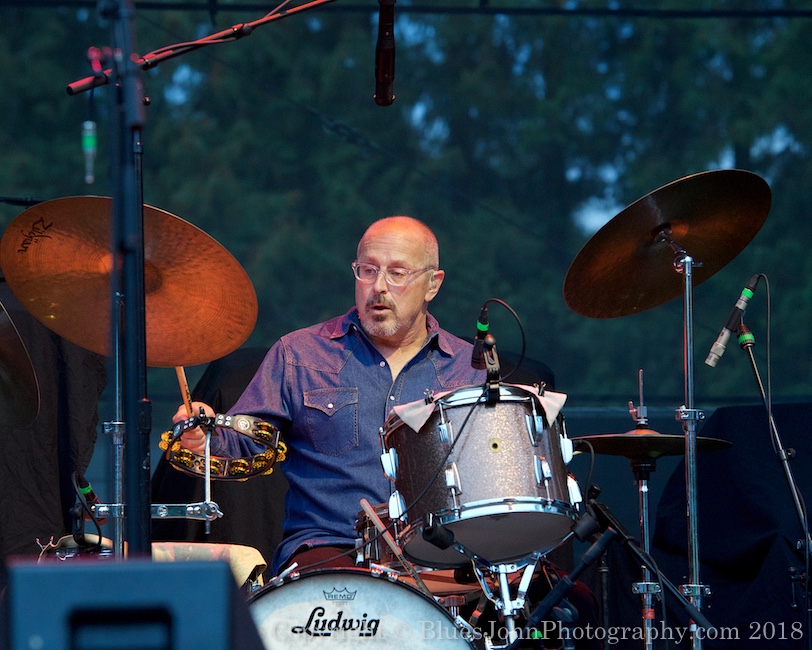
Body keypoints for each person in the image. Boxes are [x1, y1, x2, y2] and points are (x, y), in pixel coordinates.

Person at [175, 215, 485, 575]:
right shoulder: (300, 354)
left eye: (397, 273)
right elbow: (248, 441)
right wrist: (206, 436)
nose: (378, 287)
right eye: (367, 270)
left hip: (441, 550)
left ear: (432, 284)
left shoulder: (469, 368)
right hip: (328, 547)